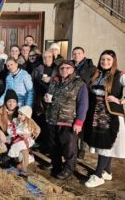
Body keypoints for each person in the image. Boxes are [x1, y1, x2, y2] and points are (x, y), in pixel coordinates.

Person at [84, 50, 125, 188]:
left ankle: (98, 175)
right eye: (102, 59)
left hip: (111, 116)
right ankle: (107, 171)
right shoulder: (97, 74)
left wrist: (121, 100)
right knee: (102, 144)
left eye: (108, 59)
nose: (105, 62)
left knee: (106, 145)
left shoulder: (119, 75)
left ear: (113, 61)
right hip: (97, 114)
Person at [44, 60, 88, 180]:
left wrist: (79, 122)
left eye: (67, 68)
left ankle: (69, 168)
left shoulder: (79, 84)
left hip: (68, 121)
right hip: (52, 119)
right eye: (62, 68)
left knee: (69, 148)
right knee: (54, 147)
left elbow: (83, 104)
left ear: (73, 69)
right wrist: (46, 99)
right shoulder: (54, 82)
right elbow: (50, 95)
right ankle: (56, 166)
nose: (64, 70)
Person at [6, 106, 40, 173]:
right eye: (18, 113)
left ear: (26, 115)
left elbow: (35, 130)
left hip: (24, 140)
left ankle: (25, 168)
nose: (19, 115)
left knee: (23, 149)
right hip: (16, 139)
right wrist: (11, 128)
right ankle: (21, 165)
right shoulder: (16, 121)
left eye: (21, 114)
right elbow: (12, 129)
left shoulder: (29, 123)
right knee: (19, 154)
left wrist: (29, 135)